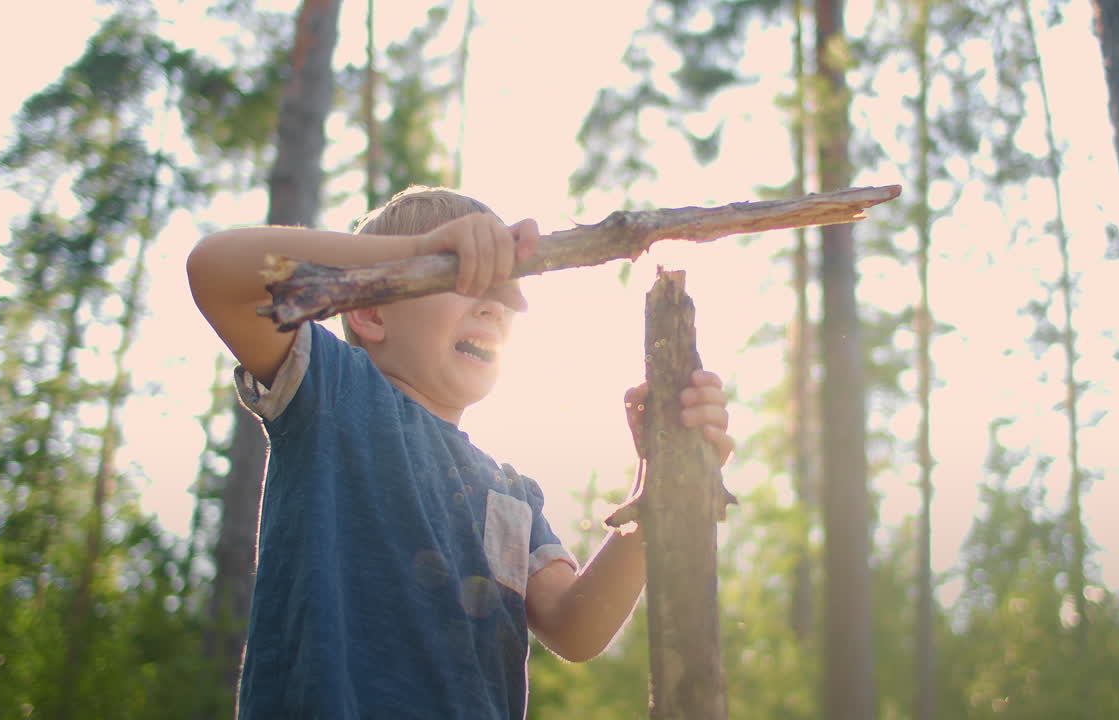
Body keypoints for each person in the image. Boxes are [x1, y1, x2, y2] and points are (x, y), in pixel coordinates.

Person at [186, 186, 734, 719]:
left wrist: (659, 486)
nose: (494, 309)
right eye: (465, 279)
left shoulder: (510, 493)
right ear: (371, 312)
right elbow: (215, 269)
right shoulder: (332, 395)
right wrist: (414, 254)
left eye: (504, 293)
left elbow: (577, 627)